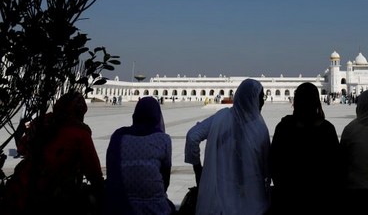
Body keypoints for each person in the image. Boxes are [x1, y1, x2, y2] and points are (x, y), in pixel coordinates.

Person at [2, 90, 104, 215]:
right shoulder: (80, 133)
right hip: (54, 194)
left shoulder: (42, 122)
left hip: (23, 187)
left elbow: (22, 148)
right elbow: (93, 170)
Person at [184, 78, 271, 215]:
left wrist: (198, 170)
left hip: (219, 200)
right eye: (260, 98)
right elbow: (266, 168)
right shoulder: (259, 128)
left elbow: (192, 137)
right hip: (251, 202)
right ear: (252, 99)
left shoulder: (221, 117)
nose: (263, 102)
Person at [269, 82, 341, 215]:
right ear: (316, 102)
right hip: (321, 200)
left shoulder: (284, 127)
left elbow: (274, 164)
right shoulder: (326, 130)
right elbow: (336, 167)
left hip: (289, 199)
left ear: (296, 101)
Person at [105, 96, 174, 214]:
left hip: (119, 205)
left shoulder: (119, 135)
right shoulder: (163, 139)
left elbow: (110, 170)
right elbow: (165, 179)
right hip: (154, 208)